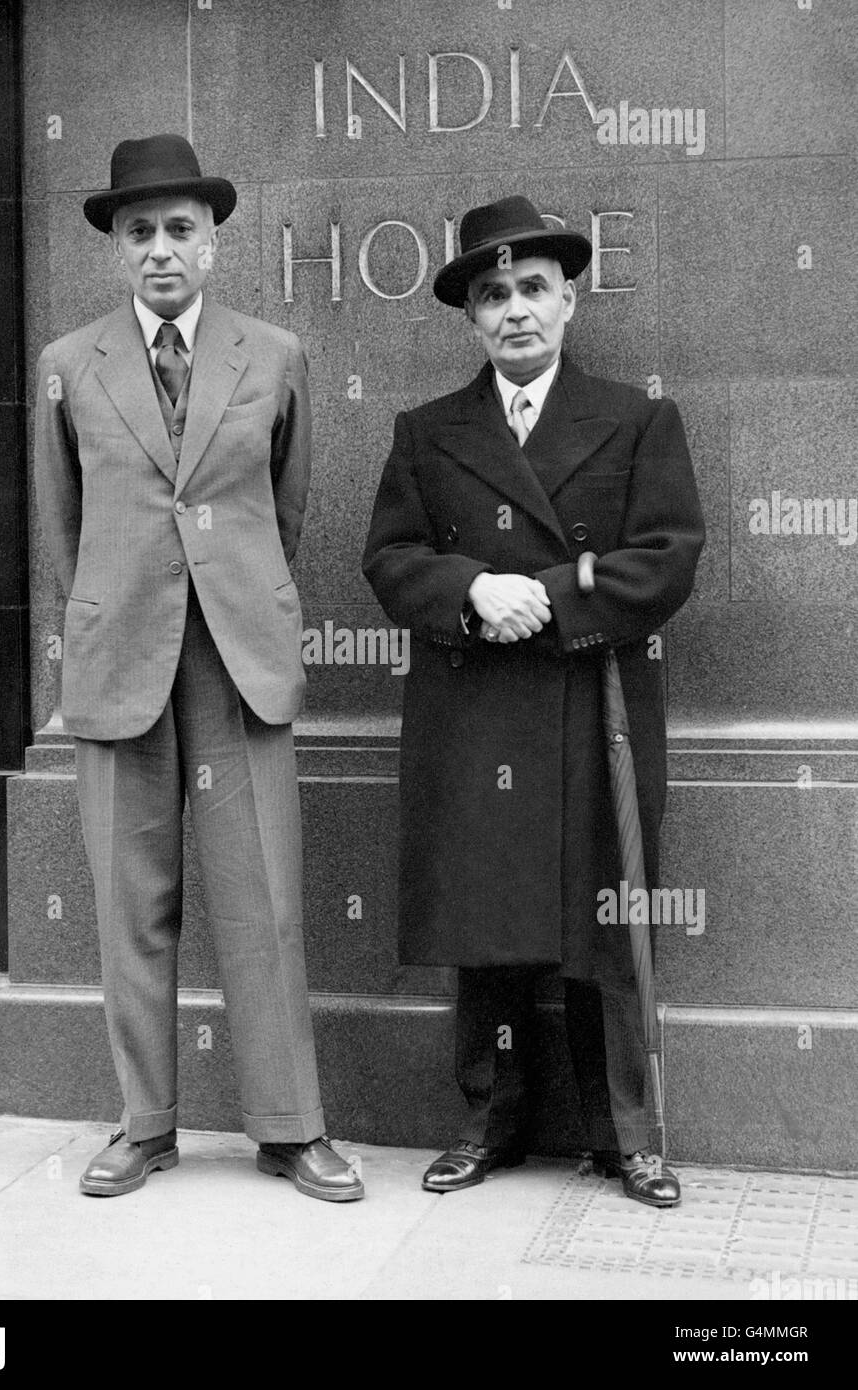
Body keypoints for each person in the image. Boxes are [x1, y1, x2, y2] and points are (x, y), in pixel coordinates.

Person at [35, 134, 363, 1202]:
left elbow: (290, 501)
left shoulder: (272, 353)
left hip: (236, 655)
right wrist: (105, 608)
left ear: (213, 244)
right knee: (131, 899)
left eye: (180, 229)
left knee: (261, 894)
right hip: (119, 651)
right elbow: (63, 523)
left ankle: (288, 1126)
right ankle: (145, 1125)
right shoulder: (68, 363)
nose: (161, 249)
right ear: (116, 252)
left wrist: (235, 584)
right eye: (140, 233)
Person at [362, 195, 705, 1206]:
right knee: (486, 917)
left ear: (568, 300)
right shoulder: (425, 433)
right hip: (474, 711)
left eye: (531, 290)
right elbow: (387, 557)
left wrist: (545, 594)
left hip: (590, 694)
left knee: (603, 917)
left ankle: (626, 1135)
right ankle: (486, 1118)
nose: (513, 310)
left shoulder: (638, 419)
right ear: (470, 317)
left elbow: (668, 557)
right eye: (491, 295)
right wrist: (468, 590)